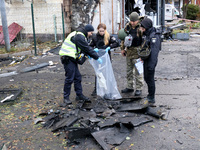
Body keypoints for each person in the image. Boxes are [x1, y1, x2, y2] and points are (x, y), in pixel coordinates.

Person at [59, 24, 102, 106]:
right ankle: (66, 98)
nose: (91, 34)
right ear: (88, 31)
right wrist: (96, 57)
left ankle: (79, 95)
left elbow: (82, 48)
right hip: (67, 58)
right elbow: (86, 48)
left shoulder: (79, 34)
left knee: (77, 77)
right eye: (91, 32)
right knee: (69, 78)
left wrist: (90, 51)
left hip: (71, 58)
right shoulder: (80, 36)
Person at [89, 23, 119, 96]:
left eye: (103, 31)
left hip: (106, 58)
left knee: (107, 73)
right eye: (100, 31)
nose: (102, 33)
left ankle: (107, 88)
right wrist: (94, 49)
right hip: (98, 58)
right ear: (98, 30)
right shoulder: (95, 37)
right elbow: (90, 46)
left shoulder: (108, 37)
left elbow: (117, 43)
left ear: (105, 30)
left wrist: (110, 47)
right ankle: (97, 88)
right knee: (98, 73)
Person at [120, 12, 144, 96]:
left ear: (137, 20)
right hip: (129, 51)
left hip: (137, 52)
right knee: (129, 71)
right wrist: (122, 49)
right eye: (131, 21)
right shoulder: (127, 27)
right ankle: (130, 86)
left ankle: (139, 88)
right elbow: (123, 39)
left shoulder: (141, 28)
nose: (132, 22)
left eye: (134, 21)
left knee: (138, 71)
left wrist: (143, 54)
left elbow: (144, 41)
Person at [139, 18, 161, 105]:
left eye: (143, 27)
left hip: (151, 61)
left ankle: (152, 97)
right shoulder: (146, 34)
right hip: (146, 59)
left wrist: (151, 65)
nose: (141, 29)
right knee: (146, 78)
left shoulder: (154, 36)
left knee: (150, 79)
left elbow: (154, 52)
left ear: (147, 27)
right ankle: (149, 95)